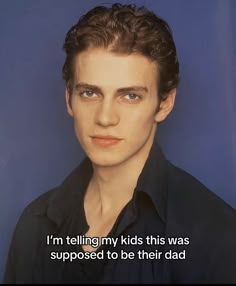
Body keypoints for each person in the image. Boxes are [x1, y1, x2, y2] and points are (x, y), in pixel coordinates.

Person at [4, 3, 236, 284]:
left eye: (130, 96)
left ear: (164, 103)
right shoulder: (35, 224)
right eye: (90, 93)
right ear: (69, 99)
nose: (105, 117)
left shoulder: (217, 235)